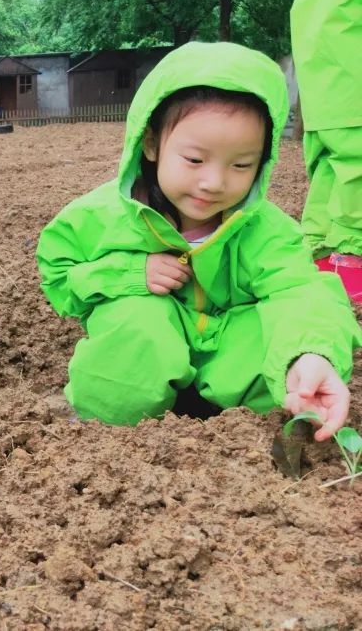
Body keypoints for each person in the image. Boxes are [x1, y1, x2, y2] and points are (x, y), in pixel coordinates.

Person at [36, 42, 360, 441]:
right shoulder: (97, 218)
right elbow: (59, 274)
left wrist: (309, 354)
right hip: (144, 347)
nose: (214, 182)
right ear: (151, 143)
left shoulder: (265, 229)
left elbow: (299, 290)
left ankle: (250, 412)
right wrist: (132, 274)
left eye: (242, 164)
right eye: (194, 160)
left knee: (280, 349)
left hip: (224, 350)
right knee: (136, 325)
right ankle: (101, 433)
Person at [289, 0, 362, 301]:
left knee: (329, 173)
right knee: (358, 172)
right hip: (355, 93)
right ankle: (353, 263)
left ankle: (316, 254)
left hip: (323, 98)